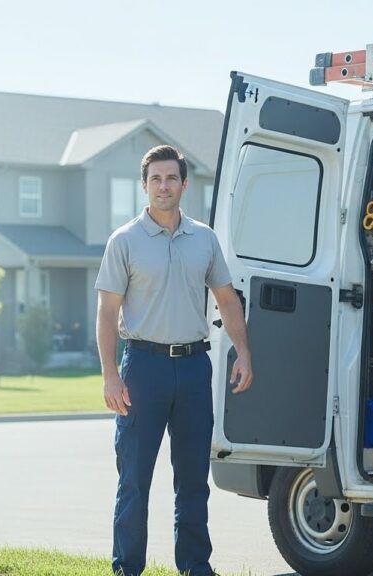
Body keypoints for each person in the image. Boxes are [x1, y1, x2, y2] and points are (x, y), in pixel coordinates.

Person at [95, 145, 252, 576]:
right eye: (156, 179)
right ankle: (127, 569)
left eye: (171, 178)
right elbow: (107, 313)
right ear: (144, 186)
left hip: (193, 369)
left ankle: (196, 568)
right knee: (134, 480)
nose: (164, 186)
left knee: (193, 482)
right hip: (142, 370)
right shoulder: (124, 241)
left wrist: (244, 351)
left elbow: (226, 298)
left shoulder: (204, 238)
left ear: (184, 184)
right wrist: (110, 374)